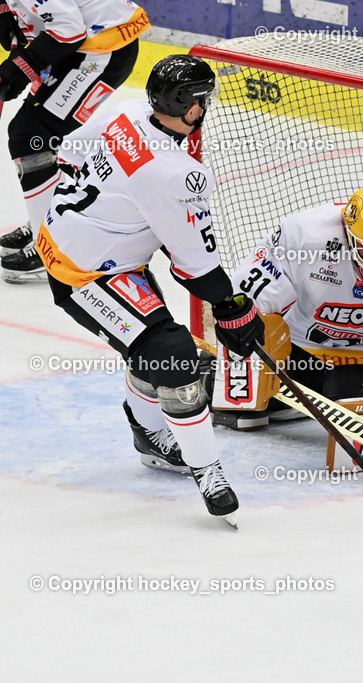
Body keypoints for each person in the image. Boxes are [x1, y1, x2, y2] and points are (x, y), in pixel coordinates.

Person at [37, 55, 264, 528]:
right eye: (203, 100)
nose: (206, 108)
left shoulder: (122, 112)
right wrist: (233, 309)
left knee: (155, 347)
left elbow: (69, 154)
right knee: (176, 356)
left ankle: (147, 430)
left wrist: (120, 216)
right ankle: (207, 470)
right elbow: (196, 268)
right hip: (86, 272)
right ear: (187, 105)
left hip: (78, 242)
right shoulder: (175, 173)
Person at [211, 185, 363, 429]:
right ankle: (219, 378)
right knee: (244, 382)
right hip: (299, 348)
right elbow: (245, 307)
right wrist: (241, 366)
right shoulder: (305, 237)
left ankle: (300, 399)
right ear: (347, 229)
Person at [0, 0, 149, 282]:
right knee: (35, 135)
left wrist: (21, 67)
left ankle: (55, 250)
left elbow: (67, 29)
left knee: (32, 136)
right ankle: (48, 224)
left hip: (100, 48)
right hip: (84, 43)